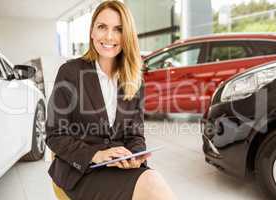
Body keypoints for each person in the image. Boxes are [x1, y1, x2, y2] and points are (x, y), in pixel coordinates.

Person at [45, 1, 177, 199]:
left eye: (118, 29)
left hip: (119, 169)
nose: (109, 36)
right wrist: (95, 155)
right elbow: (55, 134)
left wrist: (136, 156)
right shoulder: (70, 72)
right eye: (102, 27)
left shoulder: (133, 79)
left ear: (127, 36)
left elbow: (135, 135)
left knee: (152, 180)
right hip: (82, 171)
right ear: (92, 32)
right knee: (152, 185)